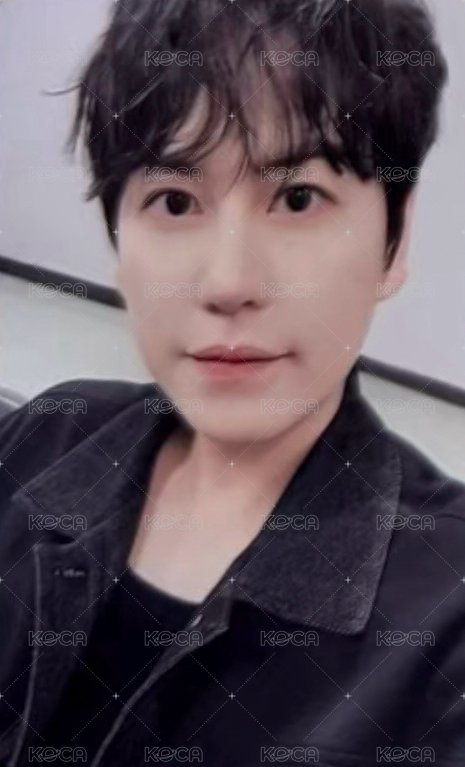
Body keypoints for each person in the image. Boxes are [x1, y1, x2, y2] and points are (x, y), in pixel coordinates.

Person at [1, 1, 464, 765]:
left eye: (297, 197)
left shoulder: (444, 619)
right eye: (174, 201)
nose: (227, 282)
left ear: (394, 239)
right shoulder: (45, 433)